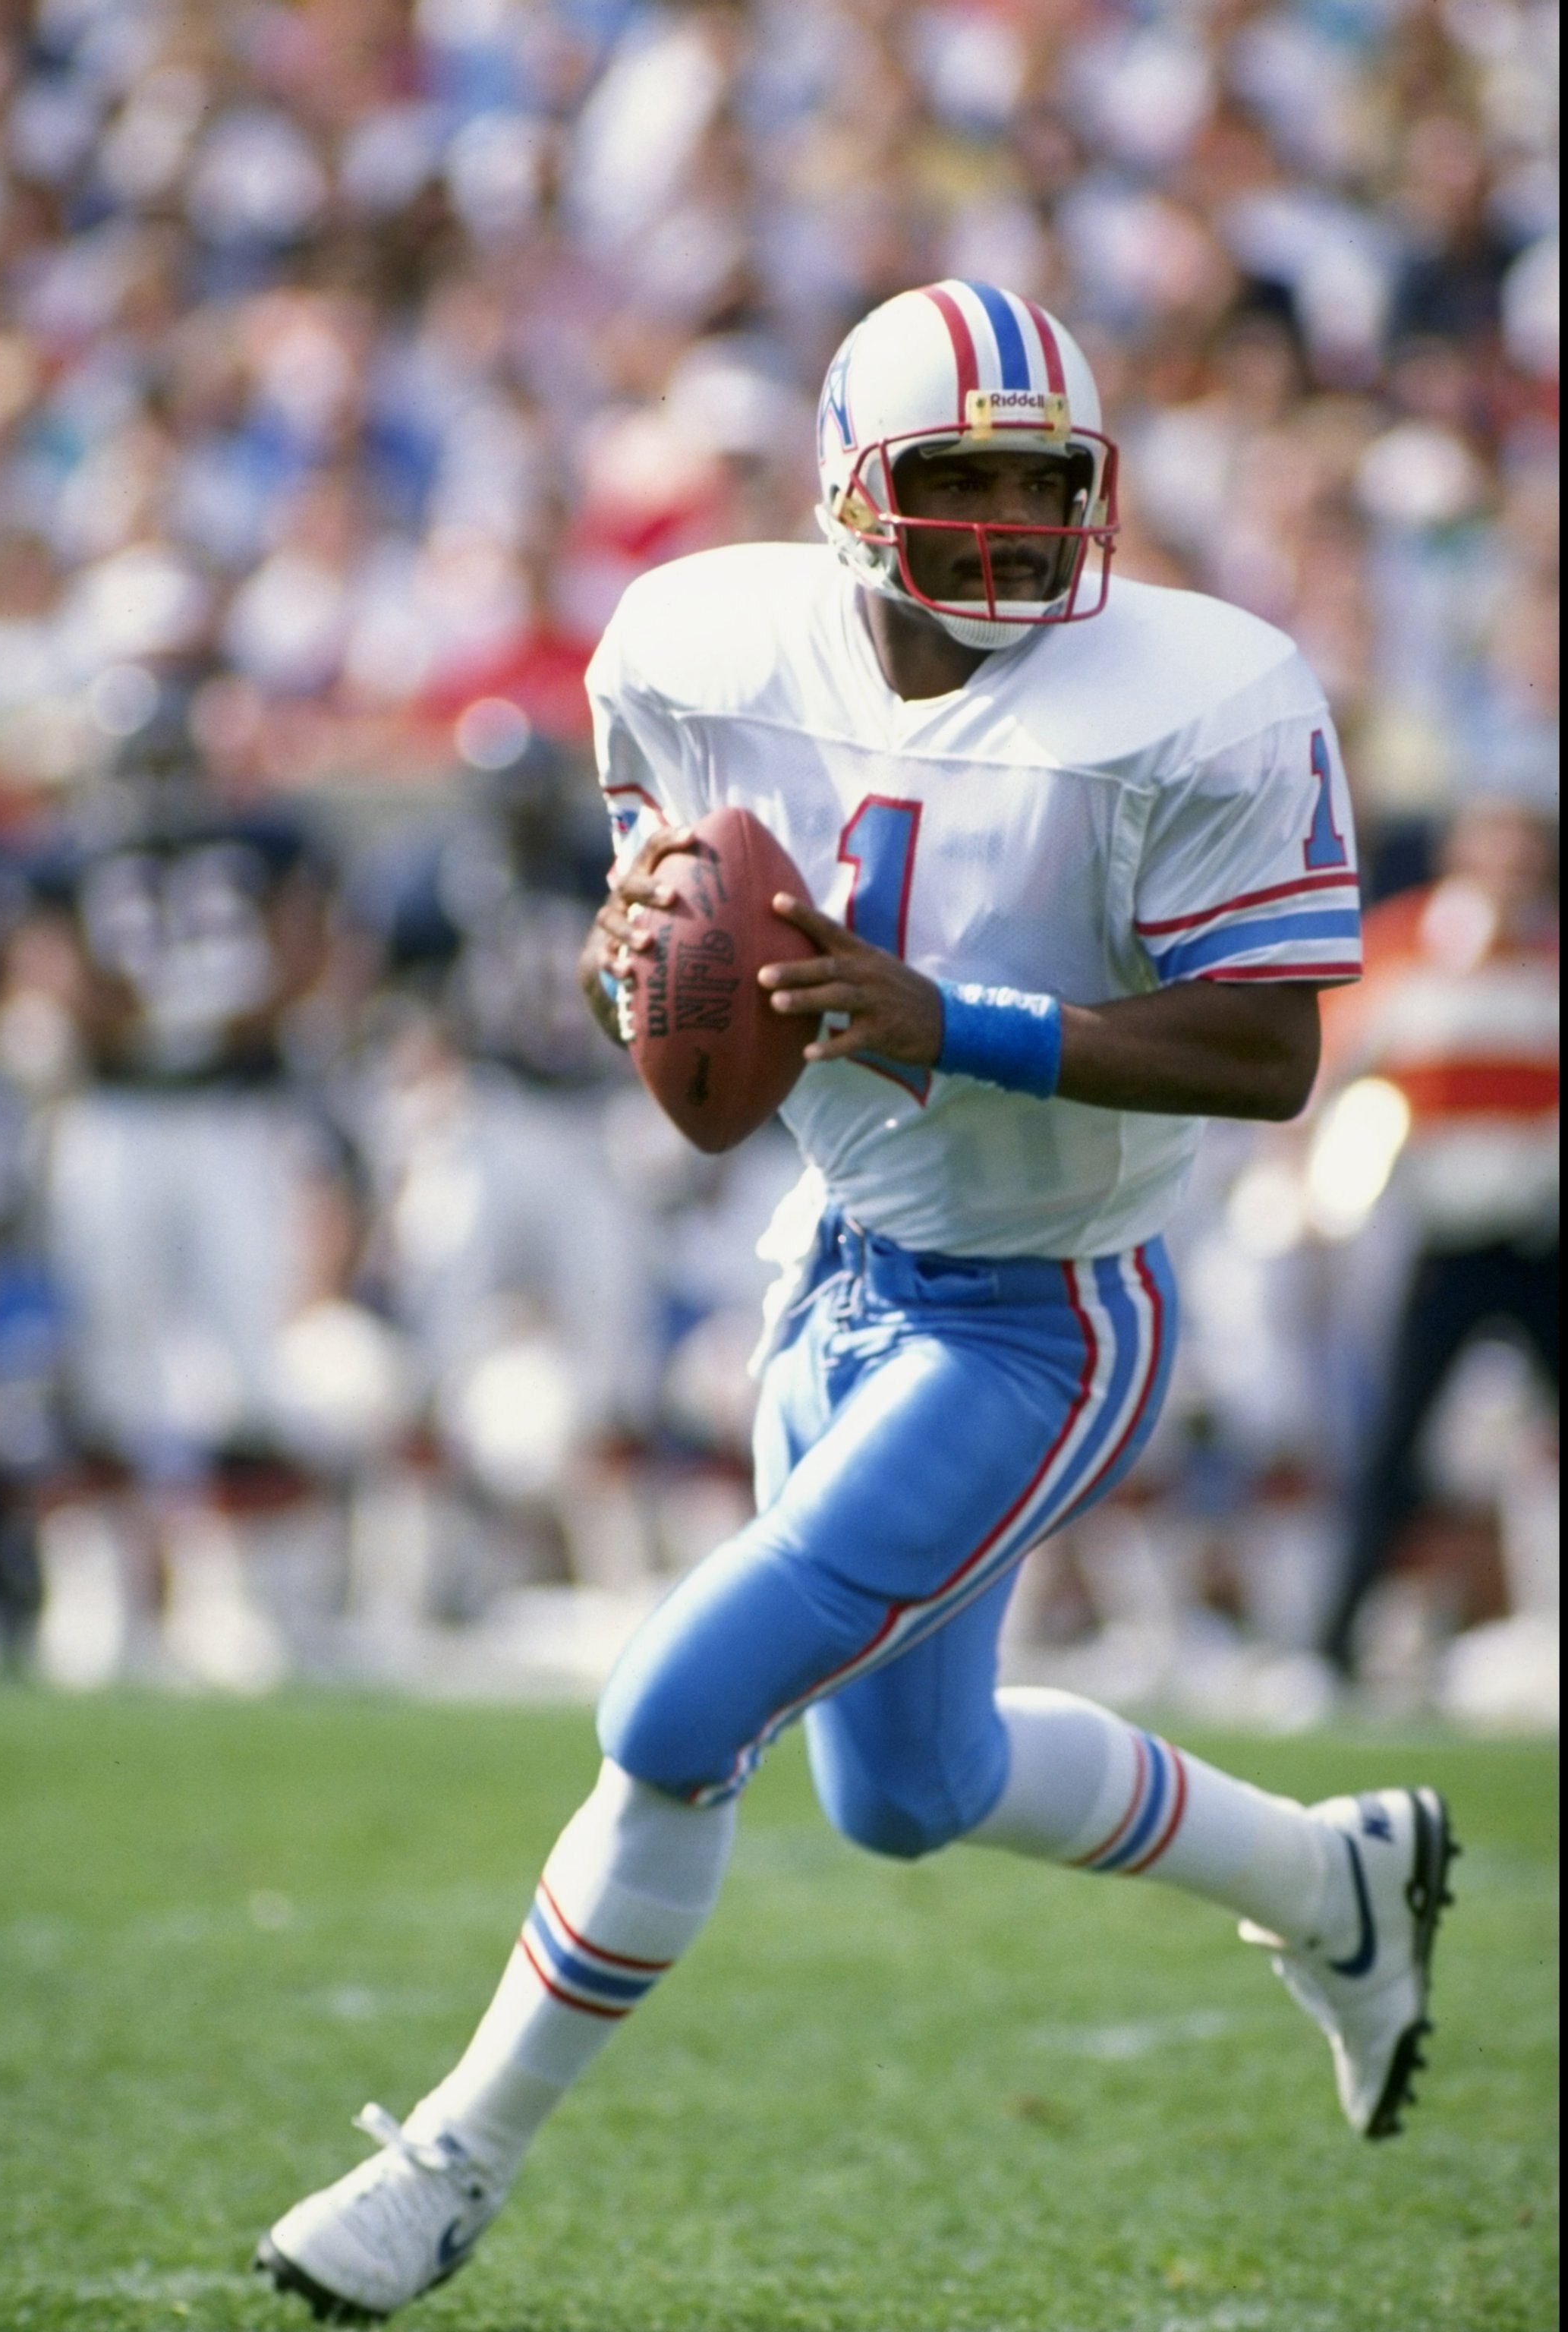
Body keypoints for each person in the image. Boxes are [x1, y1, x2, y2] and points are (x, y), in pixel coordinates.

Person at [256, 282, 1457, 2324]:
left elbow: (1269, 1054)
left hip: (1044, 1316)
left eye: (1042, 480)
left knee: (670, 1711)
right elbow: (669, 957)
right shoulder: (703, 641)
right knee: (911, 1791)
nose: (1005, 523)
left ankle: (449, 2161)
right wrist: (625, 954)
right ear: (848, 488)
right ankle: (1328, 1876)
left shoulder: (1199, 692)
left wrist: (951, 1023)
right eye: (959, 477)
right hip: (832, 1264)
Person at [1316, 794, 1558, 1674]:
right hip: (1443, 1239)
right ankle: (1333, 1647)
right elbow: (1332, 1072)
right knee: (1395, 1446)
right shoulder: (1401, 946)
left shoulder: (1551, 954)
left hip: (1540, 1241)